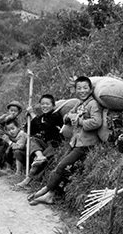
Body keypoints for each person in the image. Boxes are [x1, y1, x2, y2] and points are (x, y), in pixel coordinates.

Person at [29, 76, 102, 206]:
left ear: (91, 90)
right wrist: (70, 116)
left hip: (86, 143)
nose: (82, 91)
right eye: (79, 88)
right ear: (75, 90)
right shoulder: (79, 104)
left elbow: (97, 122)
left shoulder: (93, 104)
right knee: (61, 165)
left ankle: (46, 189)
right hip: (75, 141)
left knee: (62, 166)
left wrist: (79, 120)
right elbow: (67, 116)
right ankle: (50, 194)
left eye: (85, 88)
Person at [16, 94, 64, 188]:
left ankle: (28, 180)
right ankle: (39, 156)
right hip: (44, 143)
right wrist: (29, 119)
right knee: (32, 139)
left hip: (55, 144)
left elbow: (44, 128)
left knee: (40, 162)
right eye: (42, 104)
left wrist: (33, 115)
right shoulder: (42, 117)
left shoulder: (56, 116)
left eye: (47, 104)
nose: (44, 106)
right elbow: (33, 130)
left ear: (53, 105)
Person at [0, 101, 23, 169]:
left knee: (0, 151)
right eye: (11, 110)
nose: (13, 112)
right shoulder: (5, 116)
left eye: (15, 111)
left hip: (6, 138)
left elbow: (18, 128)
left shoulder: (17, 120)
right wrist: (8, 118)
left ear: (18, 112)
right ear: (8, 110)